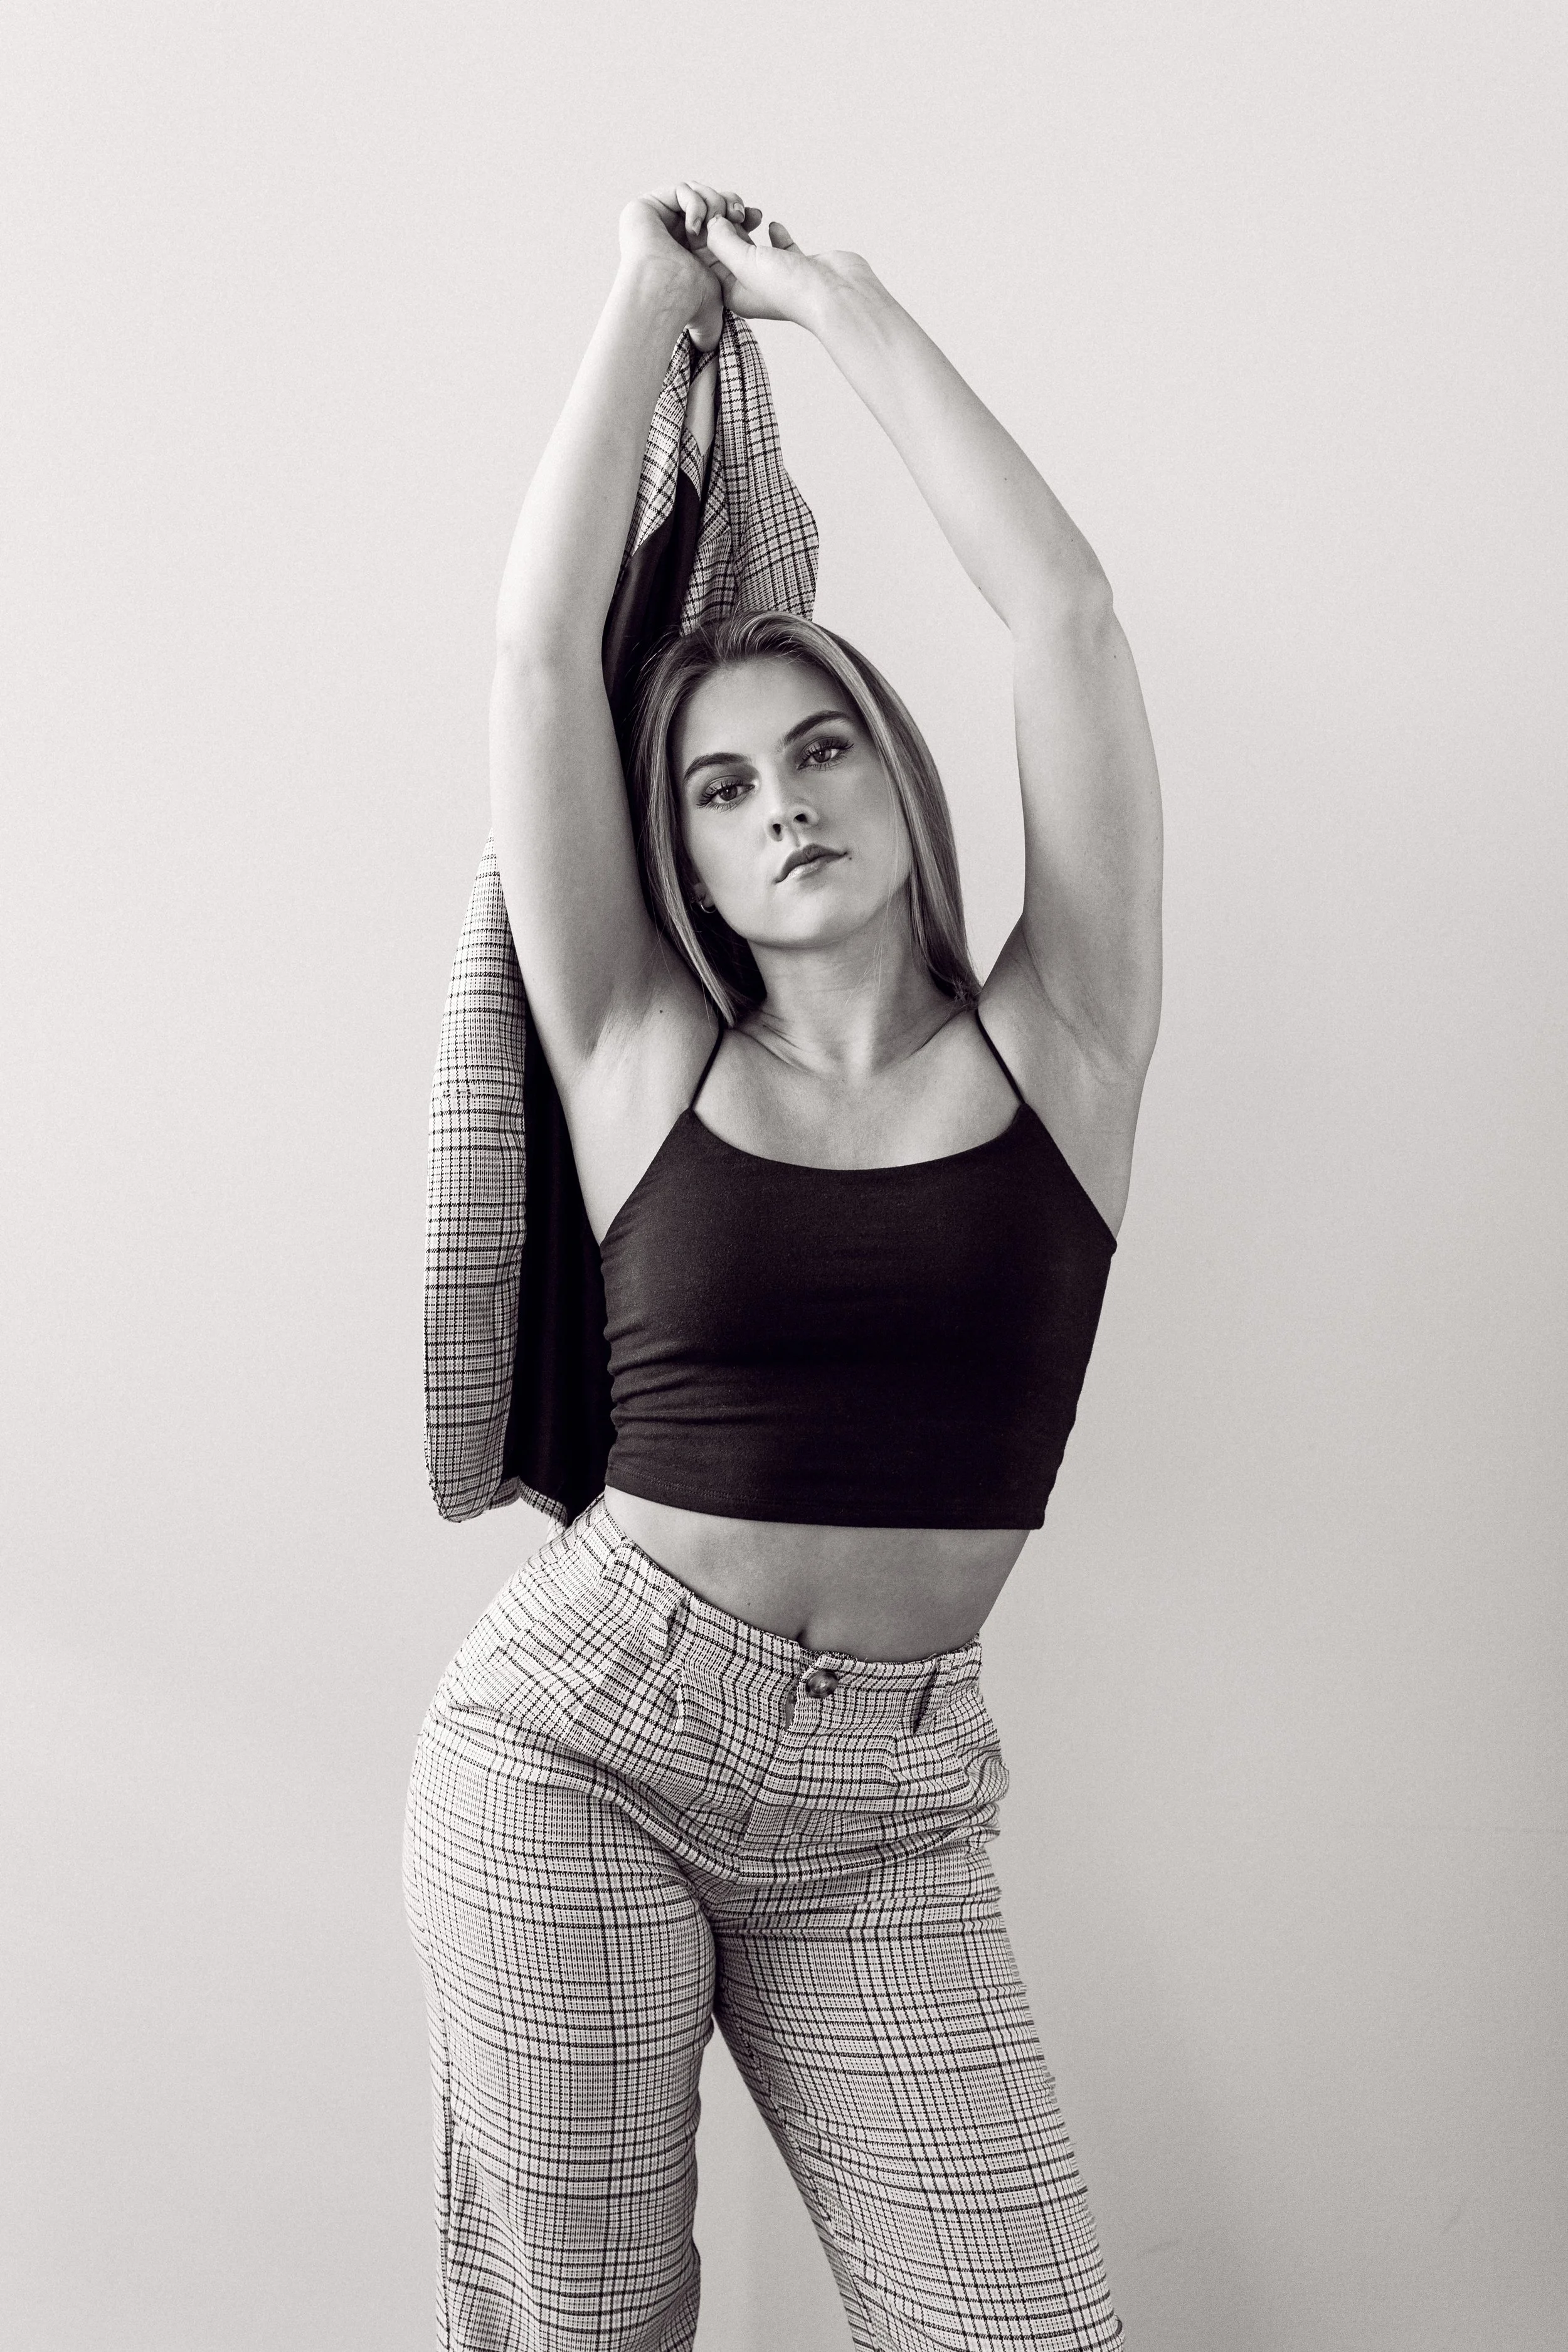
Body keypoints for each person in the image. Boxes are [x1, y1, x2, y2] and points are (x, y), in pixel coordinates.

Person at [404, 179, 1162, 2352]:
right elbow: (544, 657)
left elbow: (1073, 622)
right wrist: (645, 318)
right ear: (691, 858)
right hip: (580, 1748)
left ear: (902, 780)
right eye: (723, 786)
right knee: (595, 2333)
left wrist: (836, 309)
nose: (782, 803)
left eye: (821, 747)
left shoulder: (1064, 1045)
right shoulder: (641, 1053)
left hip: (893, 1810)